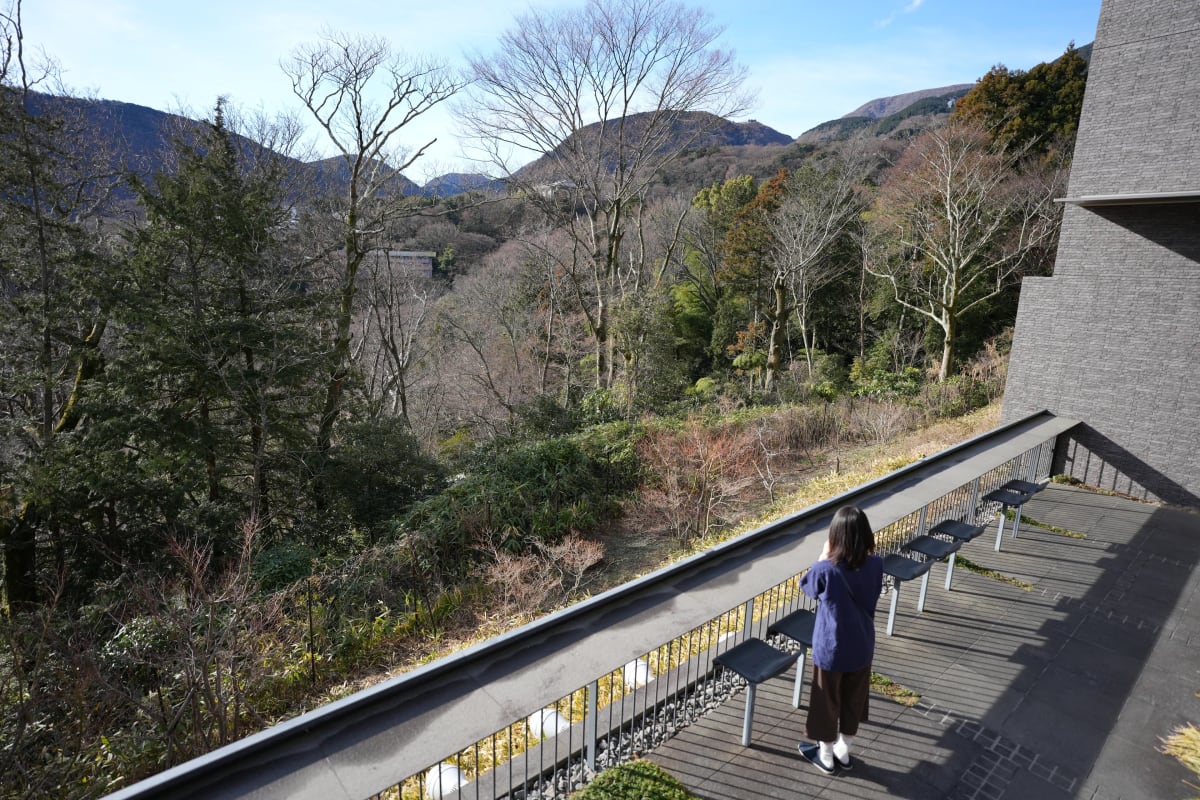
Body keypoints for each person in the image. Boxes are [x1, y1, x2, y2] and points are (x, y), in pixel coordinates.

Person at [797, 505, 884, 774]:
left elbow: (807, 586)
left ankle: (825, 755)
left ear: (835, 535)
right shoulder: (876, 565)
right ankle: (843, 752)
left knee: (827, 701)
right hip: (862, 645)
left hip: (831, 648)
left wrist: (823, 557)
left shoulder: (827, 570)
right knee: (854, 699)